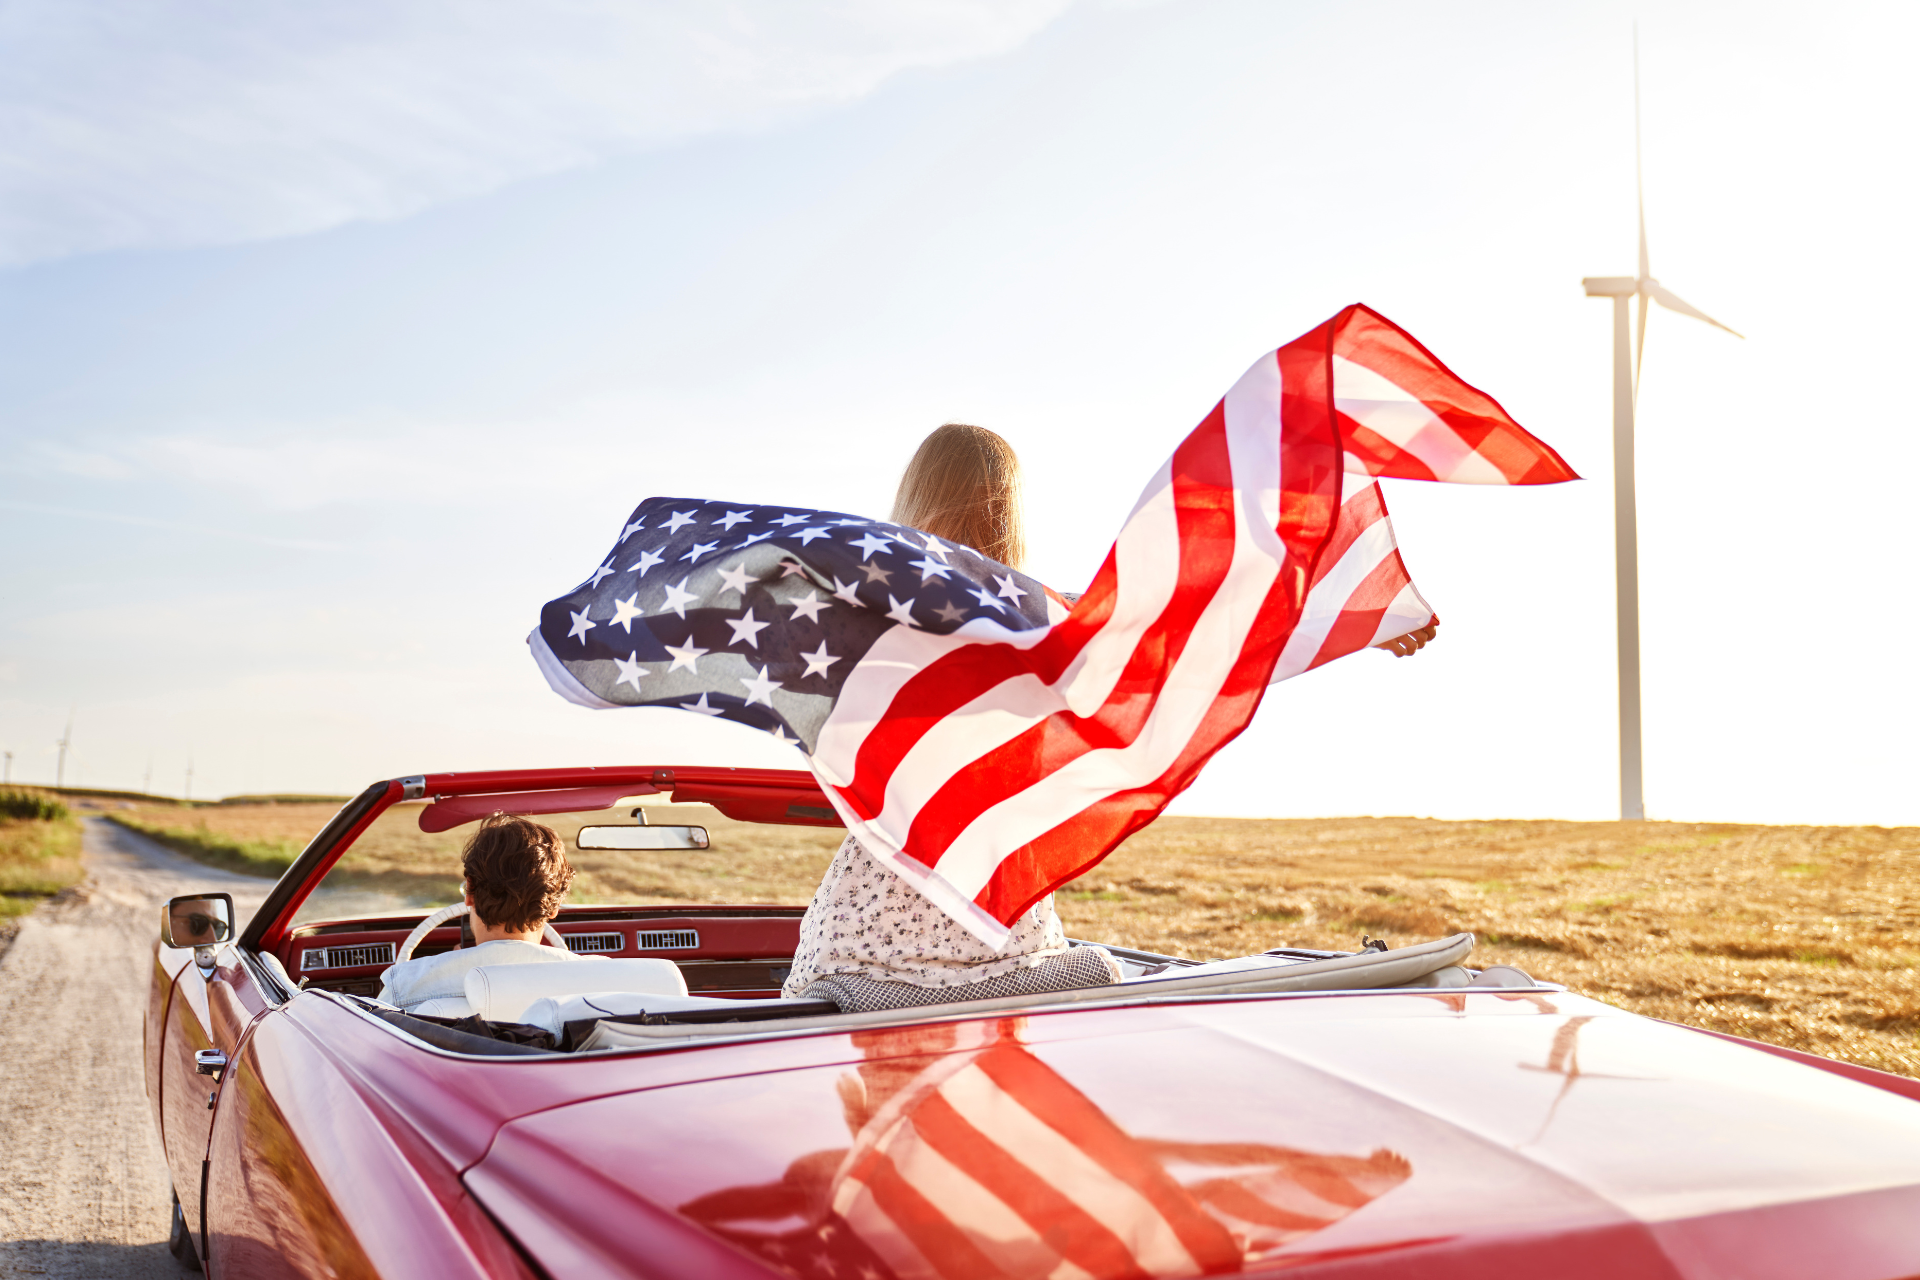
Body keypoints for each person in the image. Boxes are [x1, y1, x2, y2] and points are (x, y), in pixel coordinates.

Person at [783, 423, 1442, 1013]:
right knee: (1052, 1019)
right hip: (998, 931)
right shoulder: (1045, 625)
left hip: (860, 942)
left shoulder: (860, 621)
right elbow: (1195, 636)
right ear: (1009, 511)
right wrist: (1352, 622)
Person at [378, 813, 579, 1012]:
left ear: (470, 892)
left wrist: (456, 966)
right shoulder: (601, 976)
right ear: (554, 907)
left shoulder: (402, 988)